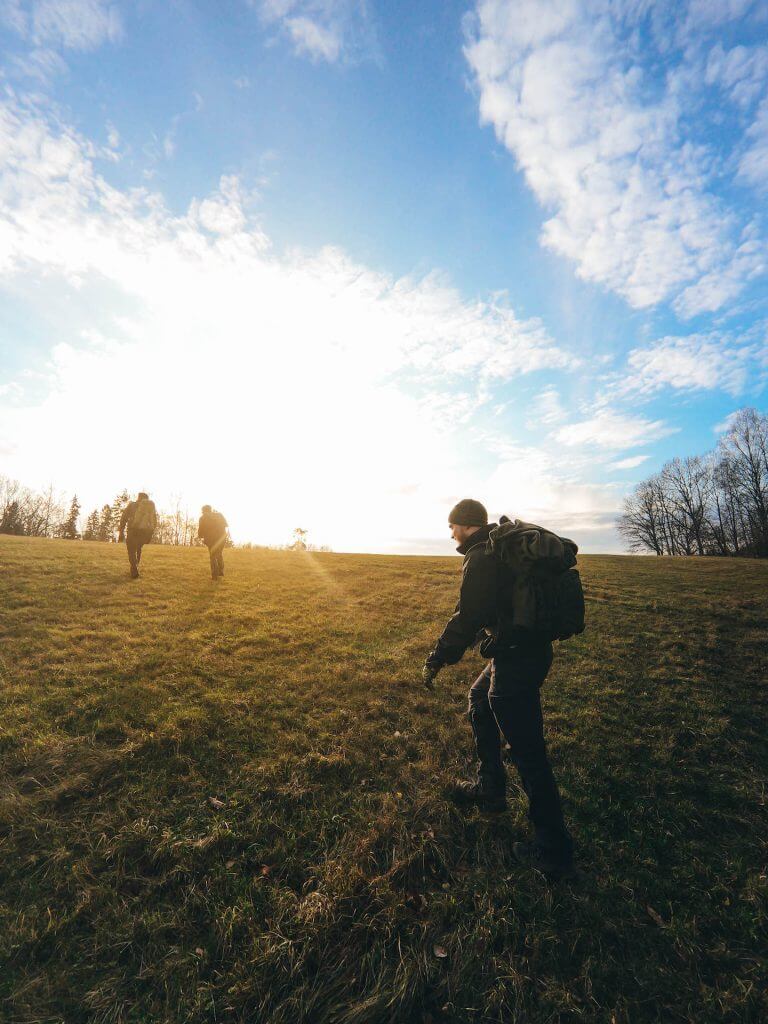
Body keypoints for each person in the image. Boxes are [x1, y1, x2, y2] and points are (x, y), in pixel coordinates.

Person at [422, 498, 575, 878]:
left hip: (517, 659)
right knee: (479, 697)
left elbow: (468, 615)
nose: (451, 533)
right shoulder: (497, 549)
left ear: (467, 524)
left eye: (453, 526)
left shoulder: (482, 557)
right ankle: (490, 789)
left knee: (528, 752)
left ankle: (554, 850)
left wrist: (438, 657)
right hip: (525, 652)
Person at [118, 492, 157, 579]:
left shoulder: (132, 505)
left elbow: (124, 517)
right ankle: (136, 566)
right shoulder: (150, 507)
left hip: (133, 530)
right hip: (145, 533)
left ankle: (134, 568)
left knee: (131, 550)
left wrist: (121, 530)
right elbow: (154, 520)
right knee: (138, 548)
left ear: (138, 497)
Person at [198, 505, 228, 579]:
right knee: (219, 553)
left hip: (211, 539)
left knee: (213, 556)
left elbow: (200, 530)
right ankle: (221, 572)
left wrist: (200, 536)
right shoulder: (219, 515)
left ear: (203, 511)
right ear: (210, 509)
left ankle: (214, 575)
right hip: (222, 538)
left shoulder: (202, 518)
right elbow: (226, 525)